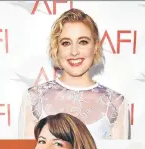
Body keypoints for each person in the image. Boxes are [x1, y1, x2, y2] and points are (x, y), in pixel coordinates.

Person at [18, 8, 130, 140]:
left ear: (95, 47)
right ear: (56, 49)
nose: (74, 51)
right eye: (66, 43)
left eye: (83, 42)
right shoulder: (34, 99)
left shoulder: (115, 102)